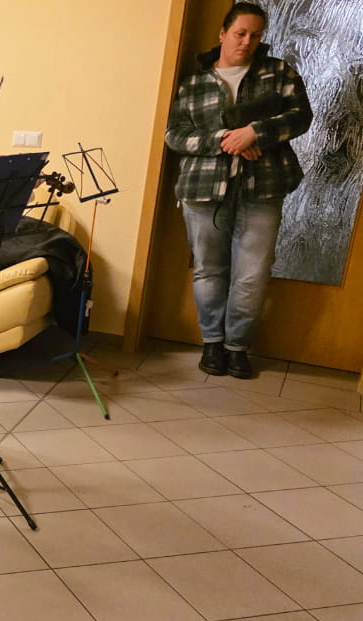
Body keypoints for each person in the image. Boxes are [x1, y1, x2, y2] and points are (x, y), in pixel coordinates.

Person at [165, 1, 311, 379]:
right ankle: (212, 344)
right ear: (223, 33)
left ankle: (237, 347)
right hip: (202, 190)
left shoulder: (278, 73)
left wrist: (256, 132)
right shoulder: (194, 82)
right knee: (208, 270)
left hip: (263, 188)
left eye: (255, 35)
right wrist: (224, 140)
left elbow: (300, 117)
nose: (247, 41)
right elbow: (175, 135)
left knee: (252, 274)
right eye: (240, 33)